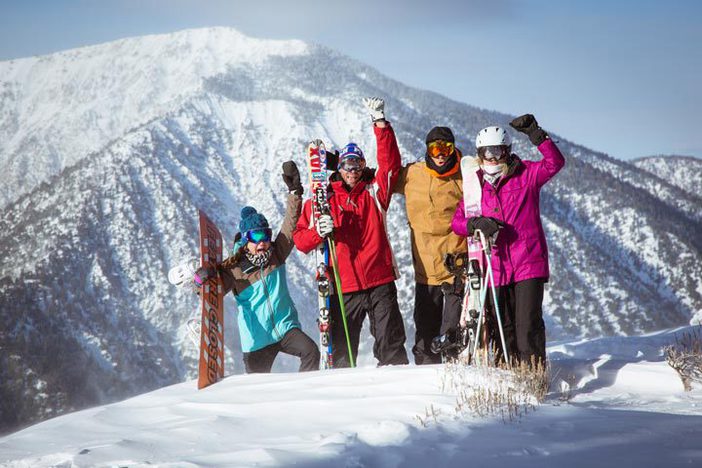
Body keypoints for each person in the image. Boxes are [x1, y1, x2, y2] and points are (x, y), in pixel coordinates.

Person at [293, 97, 409, 368]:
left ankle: (398, 394)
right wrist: (318, 233)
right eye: (347, 165)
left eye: (357, 165)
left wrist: (380, 124)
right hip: (343, 286)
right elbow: (301, 241)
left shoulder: (374, 193)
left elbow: (390, 164)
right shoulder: (322, 199)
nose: (353, 171)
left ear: (363, 166)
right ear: (339, 167)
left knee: (390, 344)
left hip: (379, 280)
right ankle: (344, 402)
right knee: (343, 353)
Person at [450, 114, 565, 367]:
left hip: (527, 261)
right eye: (487, 153)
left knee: (527, 324)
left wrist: (537, 134)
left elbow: (555, 163)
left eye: (498, 152)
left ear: (507, 151)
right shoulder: (475, 186)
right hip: (496, 265)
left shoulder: (526, 174)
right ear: (479, 154)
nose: (492, 158)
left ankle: (533, 375)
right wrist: (475, 224)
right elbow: (456, 222)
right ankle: (509, 375)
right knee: (505, 325)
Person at [197, 161, 320, 373]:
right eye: (256, 236)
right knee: (257, 389)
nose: (262, 241)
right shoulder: (234, 269)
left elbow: (289, 225)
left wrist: (295, 193)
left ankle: (304, 396)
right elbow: (211, 294)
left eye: (266, 235)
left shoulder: (277, 253)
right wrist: (201, 280)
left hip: (285, 328)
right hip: (257, 341)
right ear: (246, 240)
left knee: (311, 351)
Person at [393, 126, 467, 364]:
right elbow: (384, 177)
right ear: (427, 149)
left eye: (446, 147)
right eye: (435, 148)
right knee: (425, 331)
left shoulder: (466, 174)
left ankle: (454, 378)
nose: (441, 153)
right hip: (425, 268)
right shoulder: (414, 174)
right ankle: (425, 382)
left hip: (456, 266)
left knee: (452, 333)